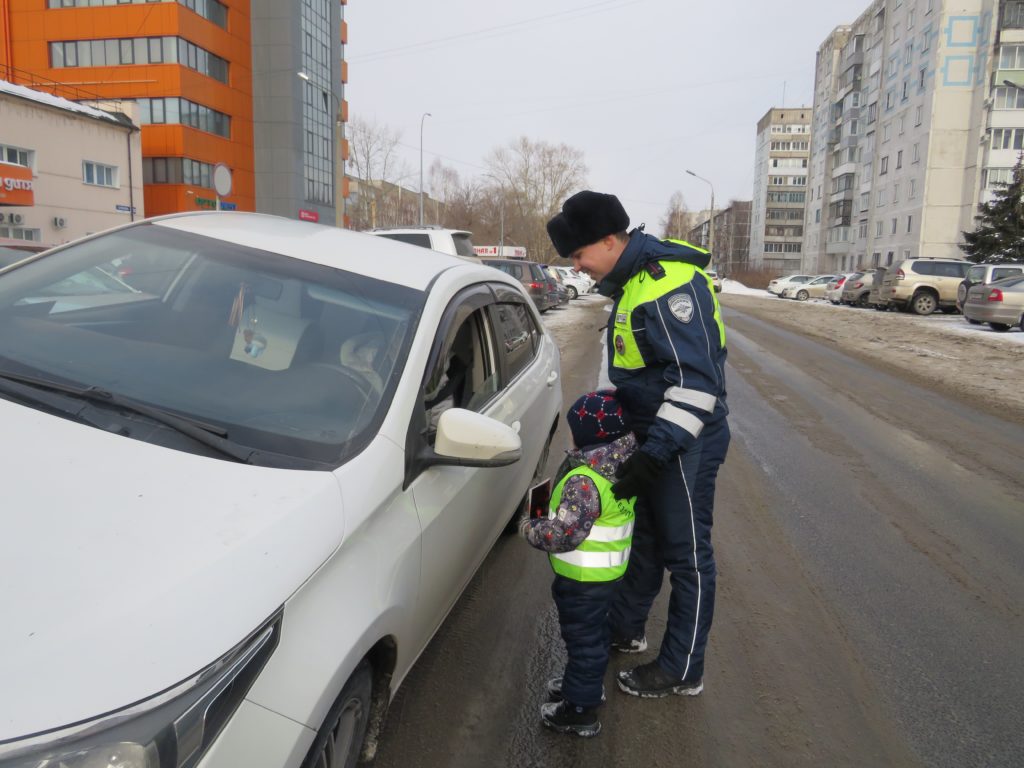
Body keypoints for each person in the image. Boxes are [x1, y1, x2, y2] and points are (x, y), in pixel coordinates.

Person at [546, 191, 730, 699]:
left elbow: (697, 385)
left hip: (684, 440)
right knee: (645, 537)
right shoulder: (631, 284)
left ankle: (682, 667)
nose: (579, 269)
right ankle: (625, 628)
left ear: (609, 241)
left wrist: (654, 455)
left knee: (687, 553)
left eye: (580, 256)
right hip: (654, 438)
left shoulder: (667, 285)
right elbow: (637, 372)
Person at [520, 391, 637, 737]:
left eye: (573, 430)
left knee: (583, 641)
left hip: (583, 580)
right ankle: (583, 683)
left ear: (588, 436)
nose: (569, 435)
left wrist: (530, 527)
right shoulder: (622, 464)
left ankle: (580, 709)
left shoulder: (585, 482)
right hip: (605, 576)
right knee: (594, 635)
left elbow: (562, 534)